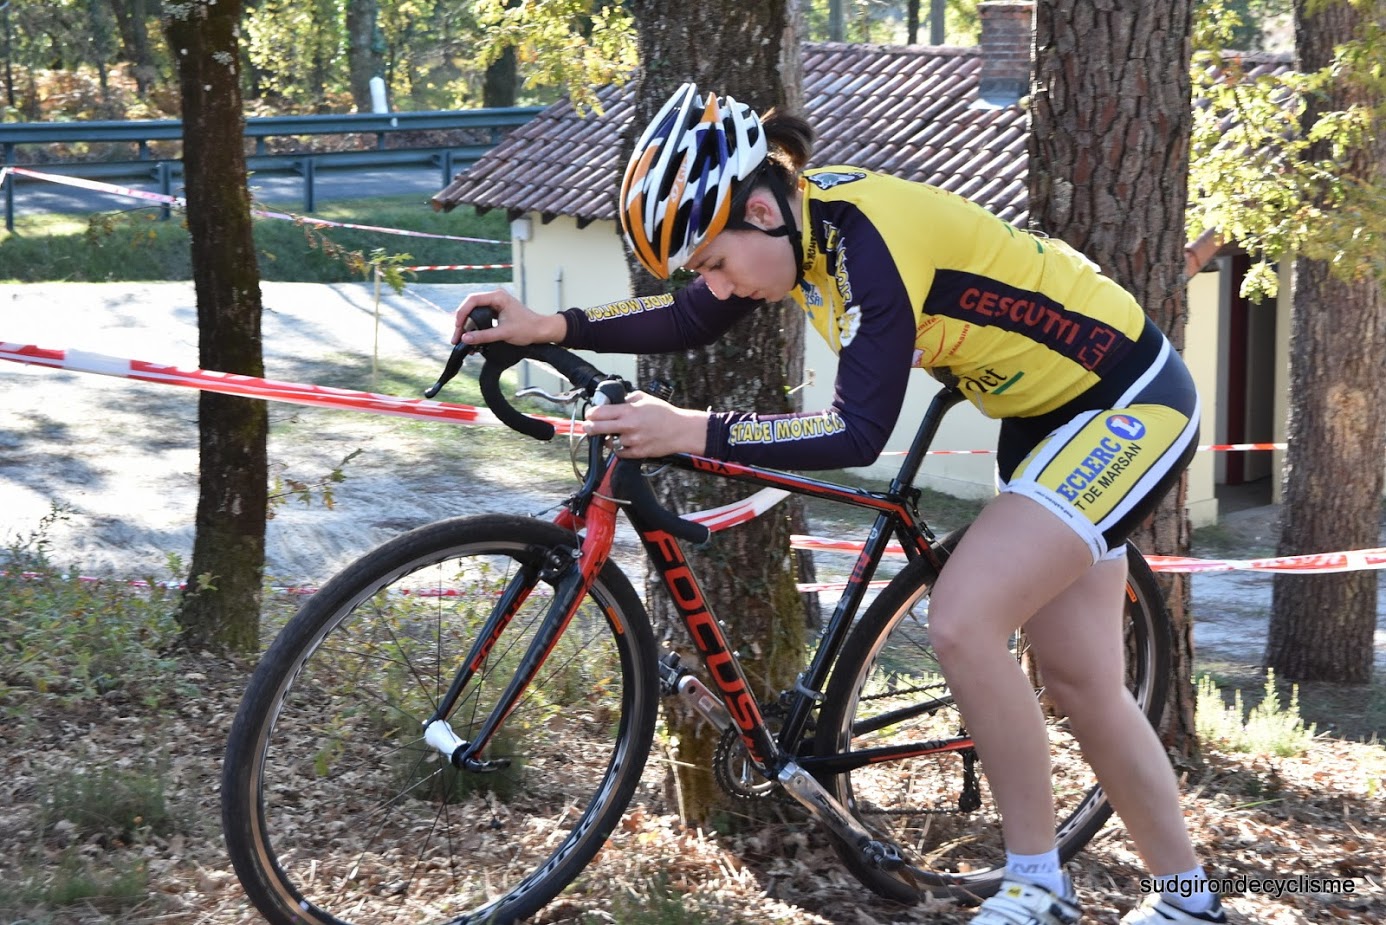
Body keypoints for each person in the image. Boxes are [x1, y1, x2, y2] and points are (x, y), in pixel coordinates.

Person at [452, 82, 1221, 925]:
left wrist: (691, 428)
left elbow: (855, 432)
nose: (717, 280)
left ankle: (1036, 888)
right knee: (1082, 681)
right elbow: (690, 314)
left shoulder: (866, 243)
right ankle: (1191, 900)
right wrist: (549, 326)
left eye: (713, 256)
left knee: (964, 618)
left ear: (757, 207)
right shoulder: (801, 232)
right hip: (1040, 416)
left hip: (1127, 403)